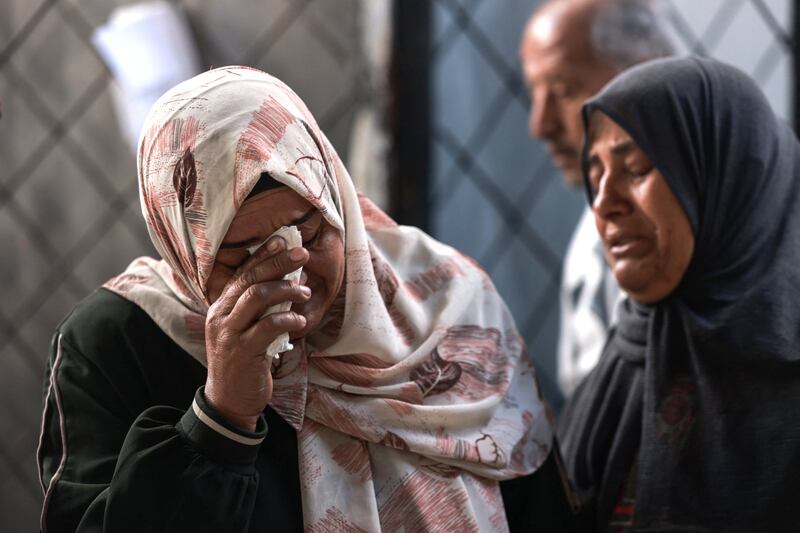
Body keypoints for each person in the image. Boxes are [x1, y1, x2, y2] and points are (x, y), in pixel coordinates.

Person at [37, 66, 577, 532]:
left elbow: (540, 508)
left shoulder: (450, 304)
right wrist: (219, 419)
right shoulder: (120, 343)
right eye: (240, 258)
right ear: (185, 250)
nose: (289, 273)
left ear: (336, 199)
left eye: (308, 231)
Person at [558, 56, 800, 531]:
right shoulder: (618, 368)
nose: (604, 203)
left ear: (726, 180)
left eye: (637, 167)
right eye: (596, 174)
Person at [519, 0, 674, 397]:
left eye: (563, 90)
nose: (540, 125)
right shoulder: (593, 227)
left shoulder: (686, 232)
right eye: (534, 94)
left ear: (642, 72)